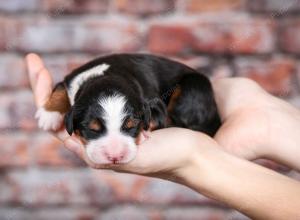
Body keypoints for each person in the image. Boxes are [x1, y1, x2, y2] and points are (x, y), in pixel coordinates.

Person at [26, 53, 300, 219]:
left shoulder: (147, 99)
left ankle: (182, 125)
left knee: (191, 89)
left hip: (190, 88)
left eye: (130, 127)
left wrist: (191, 155)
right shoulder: (75, 86)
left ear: (145, 115)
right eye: (93, 132)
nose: (113, 150)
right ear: (74, 119)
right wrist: (53, 105)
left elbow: (154, 104)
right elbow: (63, 88)